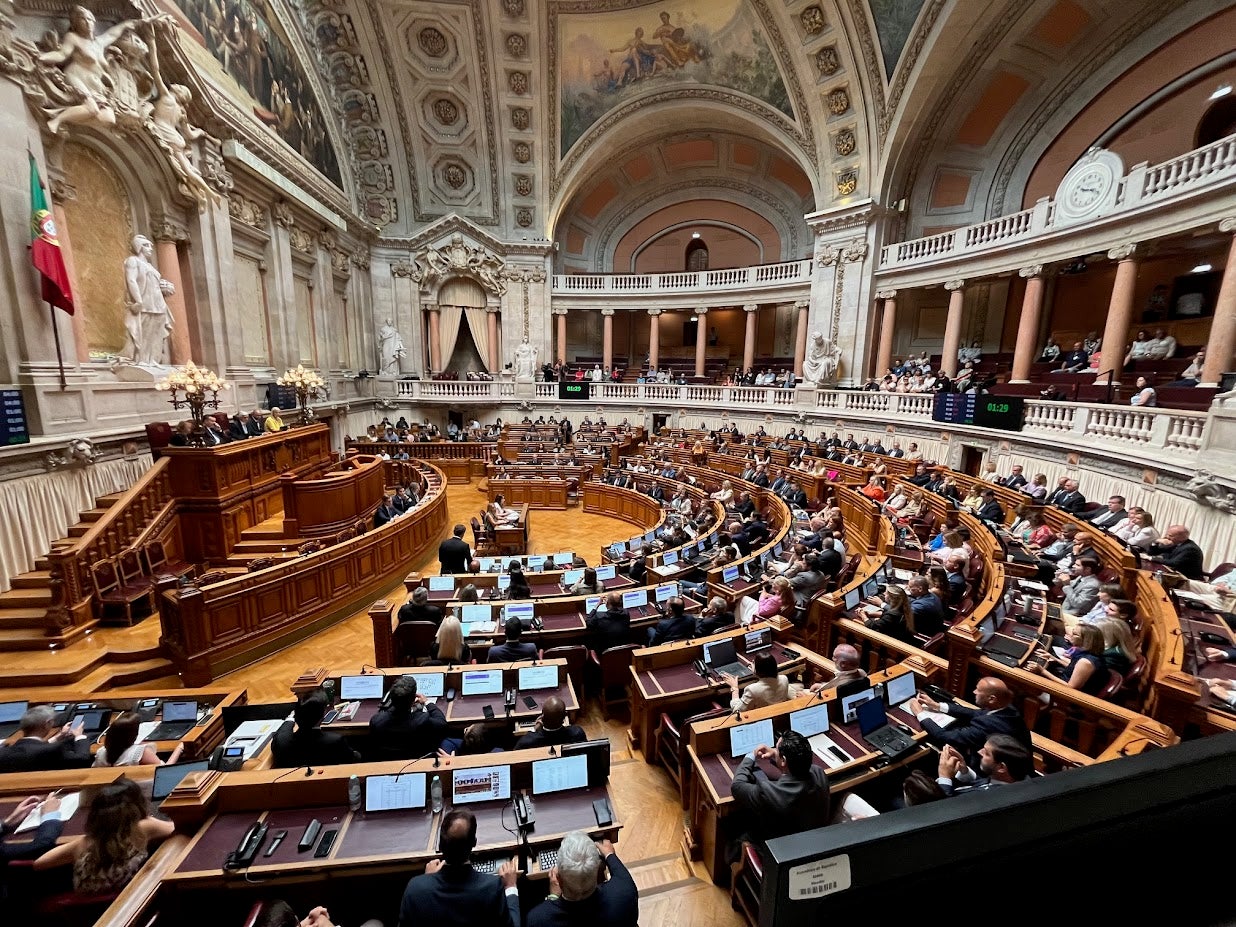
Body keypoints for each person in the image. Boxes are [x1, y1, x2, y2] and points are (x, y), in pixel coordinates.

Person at [34, 777, 175, 894]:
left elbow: (39, 863)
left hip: (86, 912)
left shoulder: (84, 843)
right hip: (131, 900)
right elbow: (178, 827)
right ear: (136, 806)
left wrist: (86, 841)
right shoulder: (143, 827)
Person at [396, 809, 520, 927]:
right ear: (474, 842)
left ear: (440, 845)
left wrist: (428, 880)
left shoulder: (415, 888)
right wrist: (510, 887)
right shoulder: (492, 888)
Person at [729, 731, 829, 859]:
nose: (774, 751)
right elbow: (799, 766)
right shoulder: (819, 773)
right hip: (814, 848)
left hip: (780, 856)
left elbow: (737, 786)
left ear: (783, 760)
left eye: (776, 749)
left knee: (734, 827)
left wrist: (750, 756)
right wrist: (776, 755)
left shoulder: (769, 792)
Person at [907, 677, 1030, 766]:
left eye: (978, 690)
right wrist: (936, 705)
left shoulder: (987, 725)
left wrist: (920, 713)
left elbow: (944, 737)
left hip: (986, 770)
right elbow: (975, 713)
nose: (974, 692)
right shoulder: (1008, 709)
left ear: (991, 699)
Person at [527, 832, 638, 927]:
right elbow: (621, 874)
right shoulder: (625, 892)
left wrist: (553, 897)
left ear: (558, 880)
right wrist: (609, 855)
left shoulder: (537, 920)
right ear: (598, 871)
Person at [271, 689, 361, 768]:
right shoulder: (335, 740)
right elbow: (352, 758)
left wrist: (290, 719)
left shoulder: (281, 741)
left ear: (296, 716)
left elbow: (283, 732)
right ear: (322, 716)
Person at [369, 675, 448, 761]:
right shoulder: (421, 721)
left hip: (389, 764)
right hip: (417, 763)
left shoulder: (376, 721)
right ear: (414, 699)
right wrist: (427, 702)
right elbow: (442, 723)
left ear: (391, 698)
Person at [0, 704, 91, 773]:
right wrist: (80, 736)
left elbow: (32, 748)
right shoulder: (54, 750)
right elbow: (81, 760)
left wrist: (58, 736)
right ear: (48, 723)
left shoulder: (3, 752)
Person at [935, 736, 1032, 796]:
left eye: (986, 753)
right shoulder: (1010, 780)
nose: (979, 752)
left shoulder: (991, 798)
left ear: (1001, 768)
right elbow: (986, 784)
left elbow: (943, 808)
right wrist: (964, 770)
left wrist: (944, 776)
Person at [1034, 624, 1110, 695]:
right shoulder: (1088, 653)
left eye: (1075, 634)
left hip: (1064, 696)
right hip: (1062, 680)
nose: (1070, 635)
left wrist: (1042, 671)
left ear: (1086, 640)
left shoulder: (1086, 662)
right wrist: (1053, 658)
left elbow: (1071, 688)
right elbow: (1074, 667)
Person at [94, 710, 183, 767]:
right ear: (134, 734)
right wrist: (179, 748)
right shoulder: (140, 753)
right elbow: (165, 770)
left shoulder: (101, 752)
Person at [726, 653, 791, 712]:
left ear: (757, 670)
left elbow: (737, 711)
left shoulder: (752, 690)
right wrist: (756, 671)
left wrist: (734, 689)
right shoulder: (784, 679)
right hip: (778, 714)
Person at [515, 696, 586, 749]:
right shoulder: (577, 733)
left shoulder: (527, 742)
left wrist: (534, 729)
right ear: (564, 716)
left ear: (542, 716)